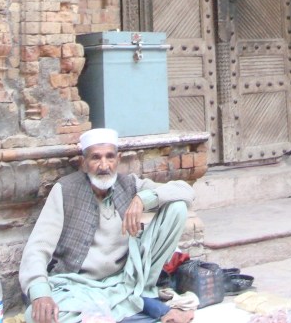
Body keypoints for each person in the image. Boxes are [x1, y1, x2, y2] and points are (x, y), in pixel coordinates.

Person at [19, 128, 196, 323]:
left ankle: (140, 294)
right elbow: (38, 247)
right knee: (38, 316)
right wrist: (40, 293)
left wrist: (144, 199)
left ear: (118, 159)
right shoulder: (65, 190)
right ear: (84, 163)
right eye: (96, 158)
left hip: (124, 282)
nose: (104, 165)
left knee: (177, 207)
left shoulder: (129, 185)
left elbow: (185, 191)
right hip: (77, 287)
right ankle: (139, 307)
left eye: (109, 157)